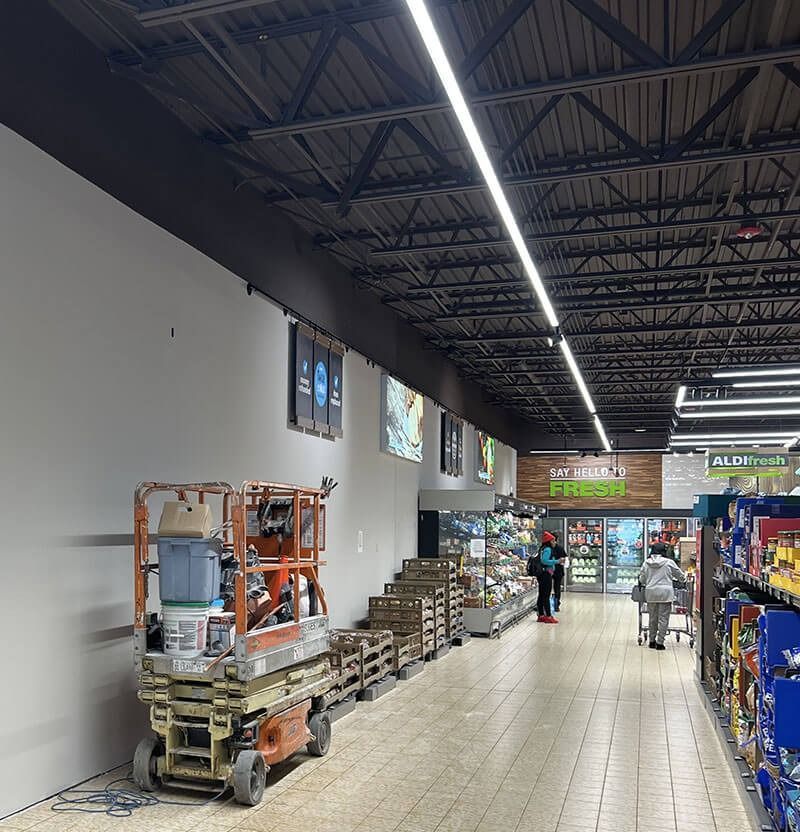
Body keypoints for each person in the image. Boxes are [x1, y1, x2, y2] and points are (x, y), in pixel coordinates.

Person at [638, 542, 685, 650]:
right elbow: (680, 575)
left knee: (652, 618)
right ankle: (660, 643)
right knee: (663, 618)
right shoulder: (669, 562)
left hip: (651, 593)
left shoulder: (646, 563)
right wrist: (683, 579)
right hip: (665, 593)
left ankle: (651, 641)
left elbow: (642, 579)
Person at [535, 531, 559, 624]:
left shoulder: (542, 548)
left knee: (541, 595)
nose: (554, 542)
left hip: (541, 574)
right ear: (549, 541)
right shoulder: (548, 549)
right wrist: (557, 561)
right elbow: (544, 561)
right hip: (546, 574)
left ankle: (541, 615)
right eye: (553, 541)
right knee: (546, 595)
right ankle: (548, 616)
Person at [550, 531, 568, 613]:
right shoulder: (560, 548)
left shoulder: (547, 548)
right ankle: (556, 605)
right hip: (558, 570)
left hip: (549, 570)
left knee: (547, 588)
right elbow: (565, 560)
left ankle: (548, 604)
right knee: (557, 588)